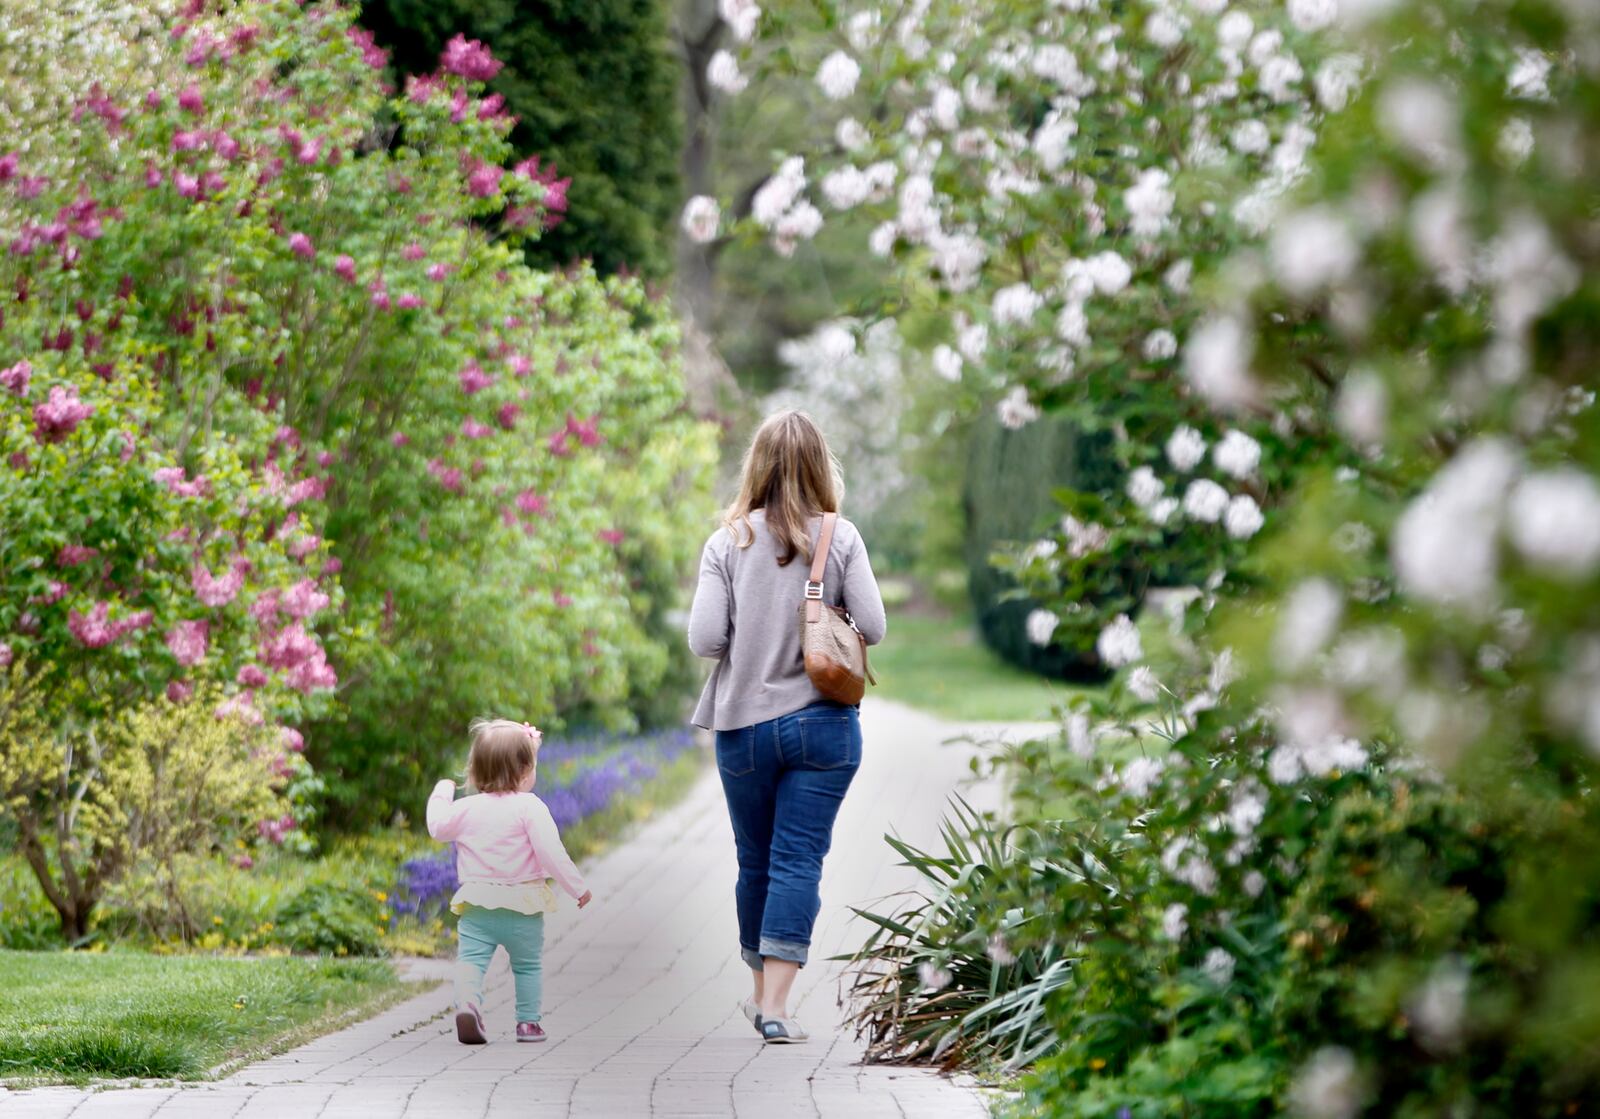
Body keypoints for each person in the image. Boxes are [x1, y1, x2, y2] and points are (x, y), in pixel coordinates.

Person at [688, 409, 887, 1045]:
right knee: (798, 858)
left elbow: (705, 639)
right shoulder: (841, 536)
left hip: (742, 728)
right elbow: (875, 628)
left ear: (758, 465)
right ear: (819, 465)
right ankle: (774, 1005)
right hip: (823, 725)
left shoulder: (726, 543)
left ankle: (760, 996)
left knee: (756, 861)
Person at [427, 718, 592, 1045]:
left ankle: (469, 1005)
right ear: (525, 771)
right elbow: (550, 852)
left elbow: (437, 827)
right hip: (523, 906)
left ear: (473, 772)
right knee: (528, 967)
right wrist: (577, 887)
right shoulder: (529, 807)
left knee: (471, 962)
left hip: (477, 906)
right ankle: (528, 1024)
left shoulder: (466, 808)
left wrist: (441, 792)